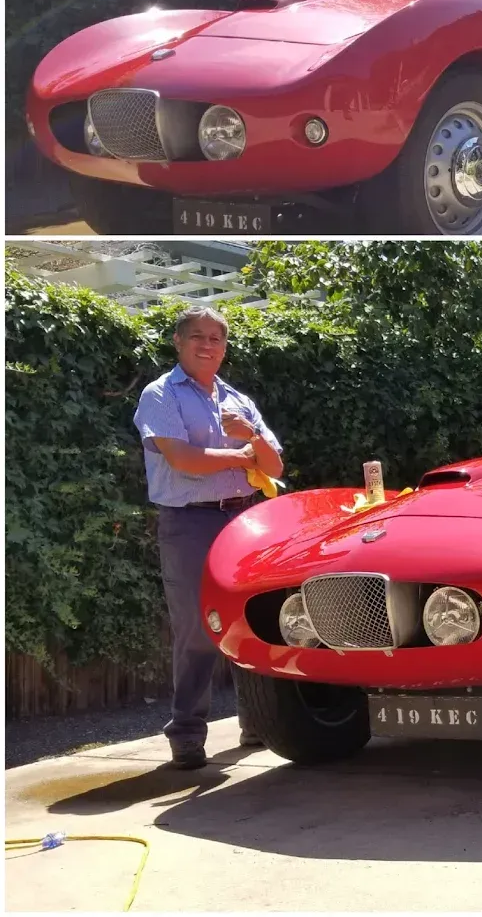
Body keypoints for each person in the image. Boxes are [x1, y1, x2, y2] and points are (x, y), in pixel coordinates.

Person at [133, 305, 284, 769]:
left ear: (224, 348)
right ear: (179, 343)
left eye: (216, 338)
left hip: (243, 521)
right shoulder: (160, 395)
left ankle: (257, 721)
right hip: (189, 523)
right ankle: (186, 734)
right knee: (196, 630)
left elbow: (275, 467)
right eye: (197, 336)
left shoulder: (237, 399)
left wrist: (252, 436)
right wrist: (243, 456)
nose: (207, 345)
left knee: (254, 618)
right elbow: (183, 459)